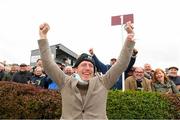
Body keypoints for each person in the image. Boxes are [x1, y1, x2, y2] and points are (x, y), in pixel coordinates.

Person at [37, 21, 135, 119]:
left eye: (91, 65)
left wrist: (129, 39)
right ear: (75, 69)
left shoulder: (104, 82)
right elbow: (48, 65)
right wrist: (43, 37)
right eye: (83, 65)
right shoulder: (65, 82)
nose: (87, 68)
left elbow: (121, 64)